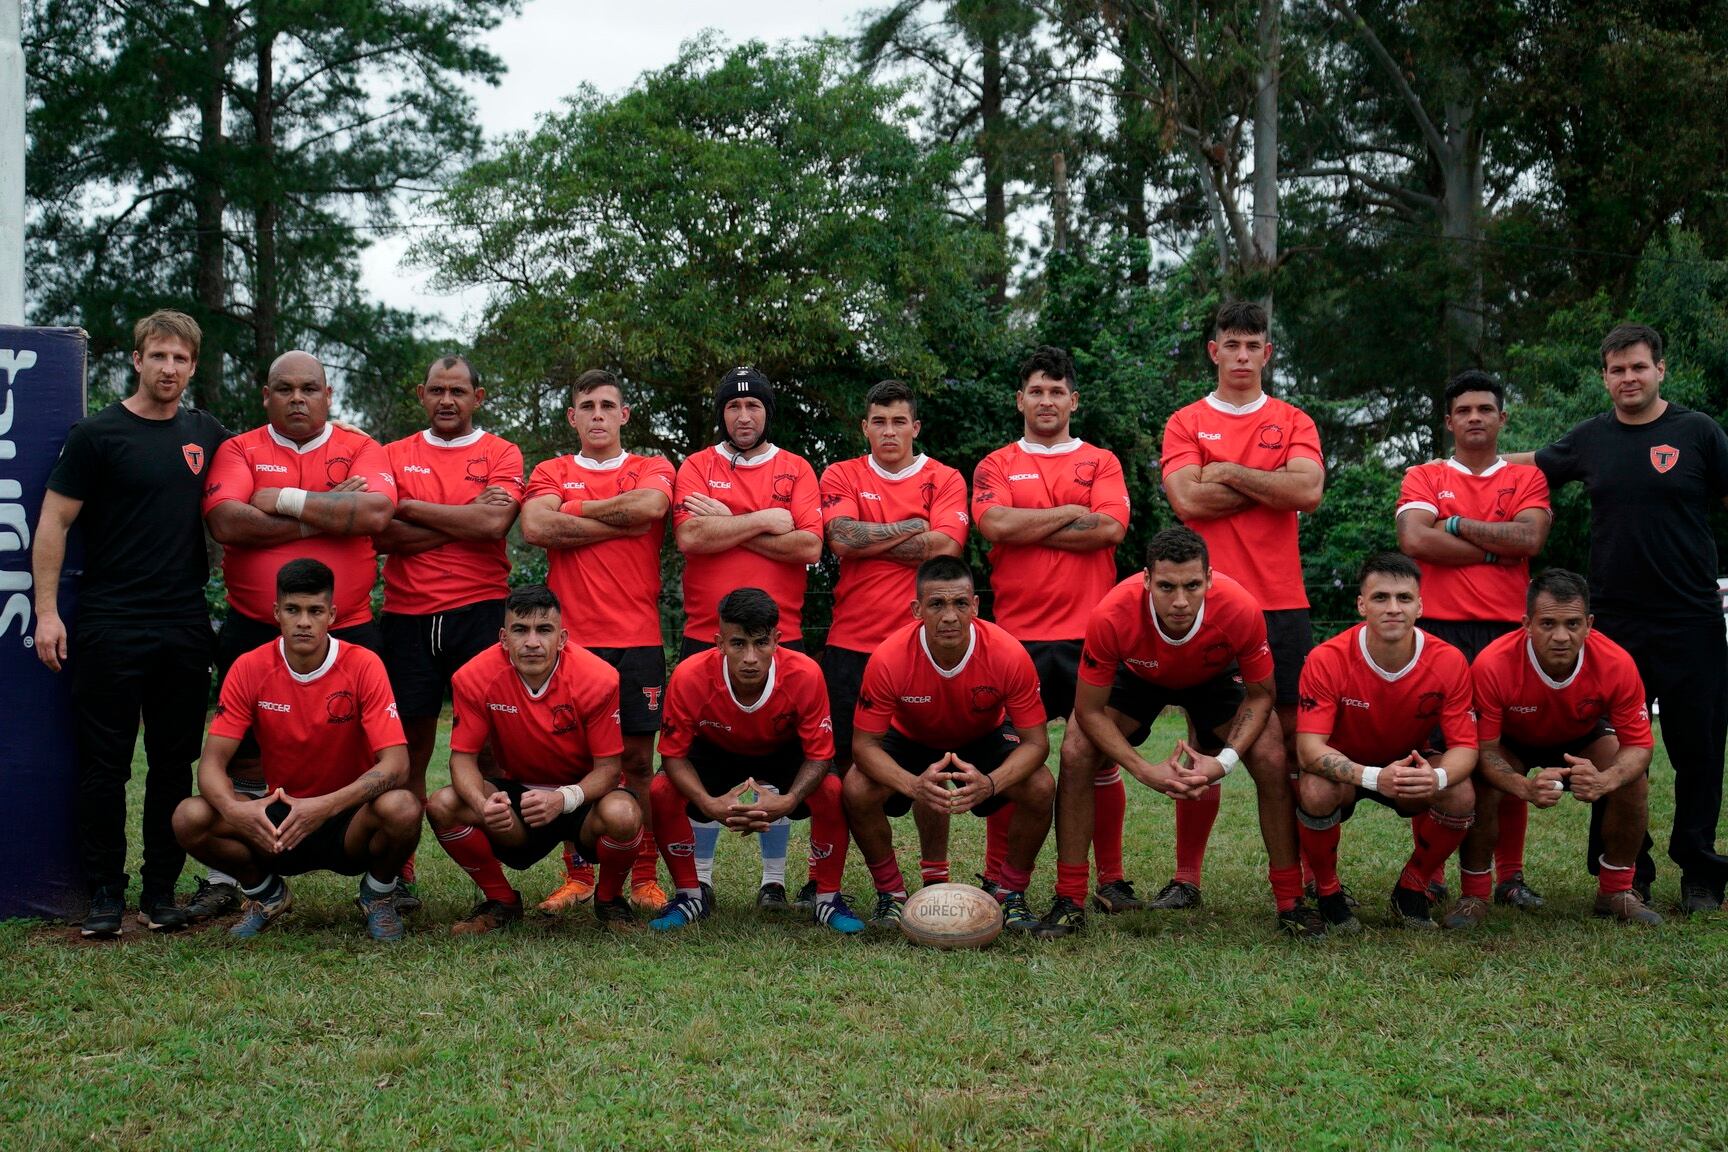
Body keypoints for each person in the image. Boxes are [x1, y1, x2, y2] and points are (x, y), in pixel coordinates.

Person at [1515, 323, 1728, 914]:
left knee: (1700, 752)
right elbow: (1530, 466)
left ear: (1662, 369)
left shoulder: (1699, 432)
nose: (1628, 378)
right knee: (1613, 749)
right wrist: (1459, 463)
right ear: (1604, 376)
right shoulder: (1591, 438)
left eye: (1638, 367)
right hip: (1614, 625)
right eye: (1616, 369)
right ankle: (1626, 874)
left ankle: (1703, 873)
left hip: (1692, 619)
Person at [32, 310, 227, 936]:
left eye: (181, 359)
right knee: (105, 764)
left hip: (184, 619)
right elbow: (54, 523)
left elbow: (258, 479)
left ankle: (161, 893)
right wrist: (45, 611)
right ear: (137, 360)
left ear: (192, 366)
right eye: (158, 356)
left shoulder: (207, 434)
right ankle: (104, 896)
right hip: (111, 619)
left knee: (174, 763)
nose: (169, 368)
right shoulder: (96, 435)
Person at [1040, 528, 1320, 939]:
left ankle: (1290, 901)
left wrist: (1224, 762)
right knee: (1077, 746)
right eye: (1167, 586)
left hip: (1212, 677)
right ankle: (1069, 899)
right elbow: (1089, 710)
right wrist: (1142, 769)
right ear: (1147, 580)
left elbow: (1261, 697)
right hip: (1140, 675)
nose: (1181, 601)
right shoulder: (1112, 611)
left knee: (1272, 753)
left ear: (1209, 578)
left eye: (1192, 585)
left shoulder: (1239, 607)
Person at [200, 350, 397, 912]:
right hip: (252, 627)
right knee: (242, 753)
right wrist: (332, 509)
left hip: (353, 628)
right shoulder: (240, 448)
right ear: (267, 396)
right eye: (284, 389)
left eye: (309, 389)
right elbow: (226, 520)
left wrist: (279, 502)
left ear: (328, 394)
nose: (297, 399)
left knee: (374, 751)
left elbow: (378, 513)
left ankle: (386, 873)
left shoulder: (360, 446)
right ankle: (229, 877)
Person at [1159, 301, 1325, 913]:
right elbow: (1188, 504)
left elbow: (1307, 490)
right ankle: (1186, 879)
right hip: (1208, 604)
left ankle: (1304, 877)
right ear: (1214, 351)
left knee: (1285, 743)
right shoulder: (1185, 421)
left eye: (1253, 346)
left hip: (1282, 604)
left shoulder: (1293, 419)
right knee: (1203, 737)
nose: (1243, 356)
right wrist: (1265, 481)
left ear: (1268, 354)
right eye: (1232, 345)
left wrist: (1224, 469)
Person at [171, 559, 419, 942]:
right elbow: (212, 764)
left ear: (332, 615)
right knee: (190, 816)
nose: (304, 621)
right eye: (293, 610)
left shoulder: (363, 664)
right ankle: (265, 895)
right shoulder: (249, 667)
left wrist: (325, 807)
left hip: (348, 820)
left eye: (315, 611)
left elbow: (397, 764)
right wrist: (236, 810)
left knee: (402, 807)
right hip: (281, 822)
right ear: (277, 613)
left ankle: (378, 895)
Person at [971, 346, 1130, 908]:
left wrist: (1029, 524)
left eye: (1056, 391)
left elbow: (1110, 528)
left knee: (1098, 758)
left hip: (1091, 635)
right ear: (1020, 399)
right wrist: (1069, 510)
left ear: (1073, 400)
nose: (1046, 400)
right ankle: (998, 880)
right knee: (1012, 760)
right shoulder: (994, 464)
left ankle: (1108, 880)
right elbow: (994, 523)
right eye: (1036, 391)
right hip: (1015, 638)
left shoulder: (1102, 461)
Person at [1397, 369, 1552, 910]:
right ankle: (1434, 868)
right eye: (1463, 411)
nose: (1475, 418)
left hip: (1509, 630)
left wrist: (1455, 524)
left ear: (1502, 417)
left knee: (1503, 750)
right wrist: (1494, 546)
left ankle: (1509, 875)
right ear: (1449, 421)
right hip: (1438, 630)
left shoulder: (1527, 480)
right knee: (1437, 751)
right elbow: (1415, 538)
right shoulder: (1423, 473)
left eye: (1485, 409)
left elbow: (1530, 536)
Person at [521, 369, 674, 914]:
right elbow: (537, 528)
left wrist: (575, 511)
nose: (598, 415)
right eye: (587, 406)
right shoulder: (550, 470)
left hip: (636, 638)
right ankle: (578, 875)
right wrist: (617, 518)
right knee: (572, 759)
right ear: (572, 416)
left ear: (624, 414)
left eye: (608, 405)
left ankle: (642, 875)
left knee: (637, 760)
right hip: (572, 643)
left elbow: (650, 509)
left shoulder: (651, 467)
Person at [376, 354, 523, 909]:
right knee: (407, 752)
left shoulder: (501, 452)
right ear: (420, 394)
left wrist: (412, 507)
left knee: (487, 751)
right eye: (436, 390)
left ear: (477, 398)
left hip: (480, 612)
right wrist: (462, 516)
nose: (446, 400)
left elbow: (494, 524)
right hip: (407, 616)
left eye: (458, 391)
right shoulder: (392, 454)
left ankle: (490, 884)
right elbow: (380, 533)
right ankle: (399, 873)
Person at [672, 367, 821, 910]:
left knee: (780, 759)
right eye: (733, 408)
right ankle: (701, 881)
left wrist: (729, 524)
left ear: (767, 413)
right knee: (702, 757)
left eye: (754, 407)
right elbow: (691, 537)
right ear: (722, 414)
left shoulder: (796, 468)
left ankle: (774, 881)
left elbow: (808, 546)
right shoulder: (695, 466)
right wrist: (766, 519)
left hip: (782, 639)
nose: (743, 416)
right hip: (704, 638)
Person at [843, 555, 1054, 932]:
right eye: (937, 604)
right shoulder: (889, 658)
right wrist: (912, 785)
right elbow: (864, 746)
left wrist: (992, 783)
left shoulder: (1008, 653)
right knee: (857, 786)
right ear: (916, 609)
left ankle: (1010, 894)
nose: (950, 616)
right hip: (910, 736)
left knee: (1040, 785)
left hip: (982, 735)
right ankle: (891, 895)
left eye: (960, 603)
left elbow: (1037, 743)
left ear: (975, 605)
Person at [816, 378, 968, 906]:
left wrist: (872, 533)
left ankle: (934, 876)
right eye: (878, 421)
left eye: (898, 420)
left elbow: (945, 547)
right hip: (851, 646)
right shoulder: (840, 473)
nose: (888, 430)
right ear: (865, 427)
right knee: (843, 773)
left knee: (931, 762)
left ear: (915, 427)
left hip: (922, 647)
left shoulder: (945, 477)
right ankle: (860, 886)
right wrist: (910, 525)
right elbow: (838, 538)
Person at [1446, 569, 1661, 927]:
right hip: (1511, 741)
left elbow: (1639, 745)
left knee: (1632, 779)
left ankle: (1616, 891)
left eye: (1573, 623)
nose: (1561, 636)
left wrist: (1607, 780)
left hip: (1582, 736)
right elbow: (1483, 750)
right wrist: (1524, 787)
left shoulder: (1616, 662)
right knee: (1479, 785)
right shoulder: (1493, 663)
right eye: (1547, 624)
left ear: (1589, 624)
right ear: (1526, 623)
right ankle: (1474, 895)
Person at [426, 585, 646, 935]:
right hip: (519, 797)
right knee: (443, 804)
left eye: (544, 630)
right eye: (520, 630)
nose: (532, 642)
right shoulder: (473, 677)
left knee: (624, 813)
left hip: (581, 797)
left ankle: (610, 902)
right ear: (503, 637)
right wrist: (483, 805)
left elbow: (608, 770)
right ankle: (501, 901)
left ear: (562, 638)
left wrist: (562, 799)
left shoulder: (598, 678)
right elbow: (462, 759)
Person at [646, 588, 864, 934]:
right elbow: (673, 756)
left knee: (833, 788)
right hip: (716, 748)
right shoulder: (689, 676)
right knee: (661, 789)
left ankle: (827, 898)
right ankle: (690, 895)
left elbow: (820, 755)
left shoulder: (805, 674)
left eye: (760, 643)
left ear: (777, 640)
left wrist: (790, 800)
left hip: (782, 749)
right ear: (719, 643)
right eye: (737, 644)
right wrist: (707, 803)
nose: (750, 657)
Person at [1293, 553, 1478, 932]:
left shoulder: (1449, 660)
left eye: (1404, 598)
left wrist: (1436, 779)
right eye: (1380, 598)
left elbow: (1465, 747)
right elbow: (1309, 749)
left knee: (1460, 794)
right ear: (1361, 604)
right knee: (1314, 789)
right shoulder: (1327, 657)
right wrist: (1375, 777)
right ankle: (1328, 892)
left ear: (1420, 604)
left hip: (1409, 763)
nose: (1393, 608)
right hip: (1350, 767)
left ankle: (1412, 887)